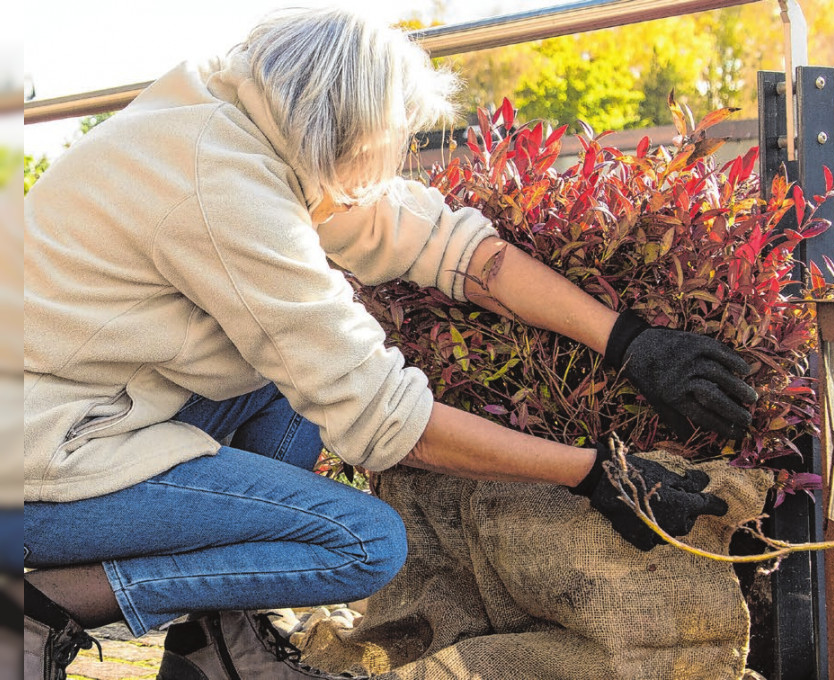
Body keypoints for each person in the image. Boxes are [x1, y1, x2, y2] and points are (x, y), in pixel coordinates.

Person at [22, 8, 758, 679]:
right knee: (364, 543)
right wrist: (595, 475)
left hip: (88, 412)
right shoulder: (221, 185)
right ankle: (42, 606)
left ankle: (218, 648)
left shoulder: (243, 119)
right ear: (341, 127)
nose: (389, 164)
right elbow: (384, 421)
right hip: (37, 469)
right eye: (384, 143)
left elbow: (455, 251)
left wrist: (629, 341)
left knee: (286, 373)